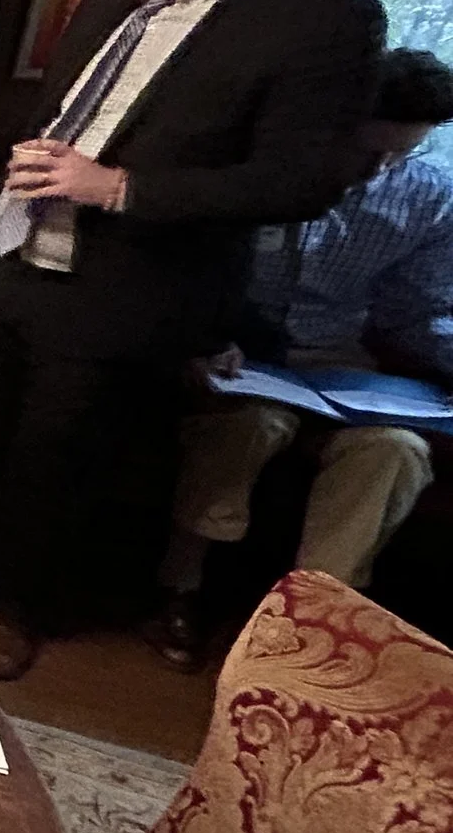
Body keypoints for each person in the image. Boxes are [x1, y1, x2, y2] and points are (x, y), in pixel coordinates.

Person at [0, 0, 385, 679]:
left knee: (58, 449)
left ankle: (17, 609)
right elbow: (51, 103)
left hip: (133, 281)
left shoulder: (320, 21)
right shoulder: (111, 0)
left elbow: (302, 181)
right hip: (18, 252)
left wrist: (122, 187)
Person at [143, 49, 453, 667]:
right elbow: (186, 268)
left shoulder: (431, 196)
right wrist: (200, 337)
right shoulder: (260, 170)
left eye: (399, 155)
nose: (377, 170)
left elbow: (418, 310)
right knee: (251, 426)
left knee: (395, 449)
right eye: (368, 151)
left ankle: (313, 619)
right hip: (238, 352)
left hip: (338, 359)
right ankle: (180, 588)